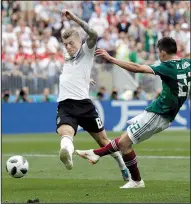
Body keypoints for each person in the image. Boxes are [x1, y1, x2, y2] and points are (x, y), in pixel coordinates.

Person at [76, 37, 191, 188]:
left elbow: (137, 68)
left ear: (163, 52)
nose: (158, 55)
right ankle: (133, 178)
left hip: (159, 114)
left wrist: (111, 58)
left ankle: (97, 154)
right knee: (124, 143)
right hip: (157, 110)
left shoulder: (166, 66)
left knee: (124, 142)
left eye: (158, 52)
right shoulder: (187, 63)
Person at [57, 10, 129, 181]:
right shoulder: (68, 58)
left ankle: (122, 165)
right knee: (65, 133)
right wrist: (85, 78)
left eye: (71, 43)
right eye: (65, 44)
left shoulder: (86, 51)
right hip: (65, 105)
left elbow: (94, 33)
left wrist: (73, 18)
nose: (68, 47)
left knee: (103, 141)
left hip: (84, 105)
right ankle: (67, 153)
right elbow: (73, 73)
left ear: (79, 41)